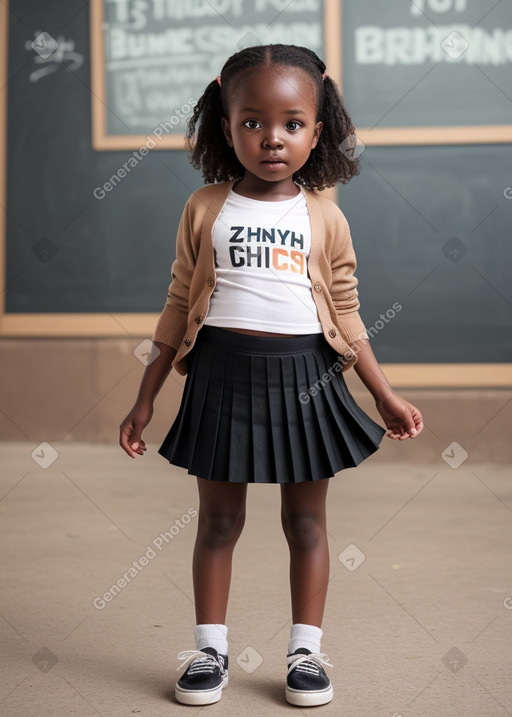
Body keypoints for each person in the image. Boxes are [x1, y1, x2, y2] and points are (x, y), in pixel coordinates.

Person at [119, 44, 423, 708]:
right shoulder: (205, 207)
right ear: (225, 127)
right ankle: (208, 650)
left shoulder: (325, 218)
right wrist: (146, 397)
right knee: (218, 521)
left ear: (319, 131)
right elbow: (177, 303)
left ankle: (305, 653)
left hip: (306, 378)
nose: (272, 138)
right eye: (252, 121)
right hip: (221, 374)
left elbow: (345, 311)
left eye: (292, 122)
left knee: (306, 521)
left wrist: (383, 391)